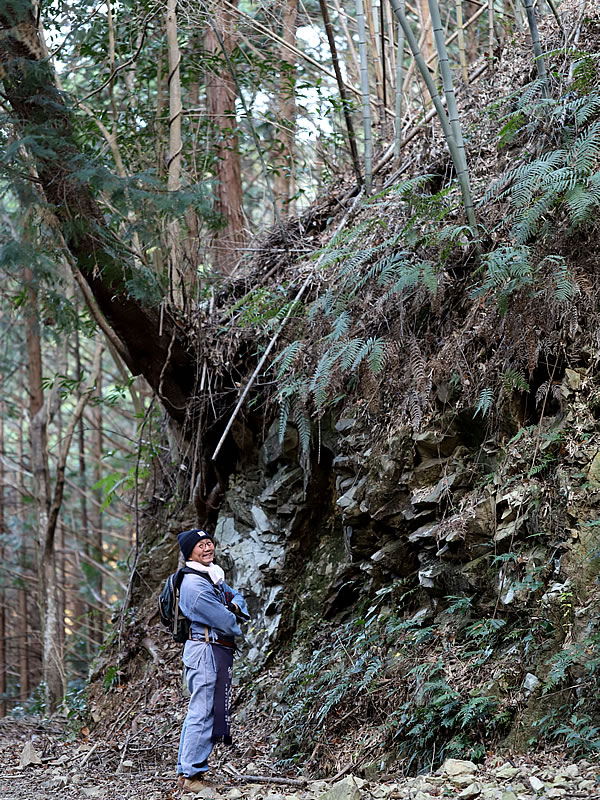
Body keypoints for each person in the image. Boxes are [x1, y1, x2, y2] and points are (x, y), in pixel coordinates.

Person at [175, 528, 249, 794]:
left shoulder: (212, 576)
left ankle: (188, 772)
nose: (207, 548)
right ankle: (191, 774)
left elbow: (237, 598)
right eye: (200, 546)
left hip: (211, 650)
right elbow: (226, 620)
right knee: (202, 710)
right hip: (204, 651)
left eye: (209, 543)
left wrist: (234, 607)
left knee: (203, 709)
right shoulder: (195, 584)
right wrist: (232, 611)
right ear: (189, 553)